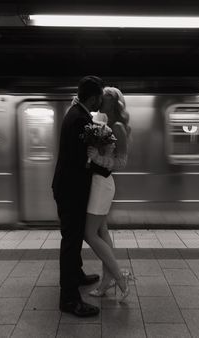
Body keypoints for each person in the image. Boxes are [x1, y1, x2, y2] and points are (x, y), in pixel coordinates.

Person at [52, 76, 111, 317]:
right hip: (70, 191)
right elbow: (80, 160)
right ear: (94, 96)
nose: (101, 102)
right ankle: (68, 299)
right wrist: (104, 166)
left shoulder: (78, 114)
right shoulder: (79, 119)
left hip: (70, 188)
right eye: (100, 98)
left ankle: (76, 274)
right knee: (71, 241)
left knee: (73, 238)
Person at [84, 86, 132, 301]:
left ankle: (120, 278)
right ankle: (107, 281)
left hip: (102, 184)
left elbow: (121, 162)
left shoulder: (119, 127)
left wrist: (96, 158)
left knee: (89, 233)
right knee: (102, 232)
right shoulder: (103, 123)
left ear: (114, 102)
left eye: (104, 98)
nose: (100, 100)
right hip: (96, 182)